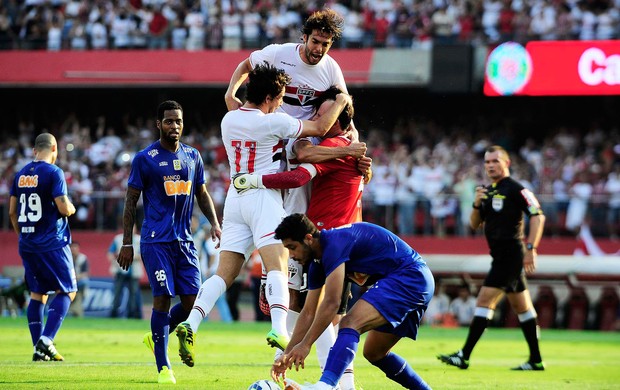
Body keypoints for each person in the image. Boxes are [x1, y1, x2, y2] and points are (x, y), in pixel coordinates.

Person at [174, 62, 352, 369]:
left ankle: (191, 322)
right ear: (269, 97)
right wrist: (339, 101)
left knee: (224, 273)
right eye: (280, 96)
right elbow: (320, 129)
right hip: (263, 196)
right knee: (277, 265)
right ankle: (279, 329)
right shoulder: (275, 123)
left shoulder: (229, 119)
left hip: (235, 197)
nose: (282, 102)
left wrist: (236, 80)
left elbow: (231, 97)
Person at [233, 88, 365, 389]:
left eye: (322, 115)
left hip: (329, 240)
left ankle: (335, 384)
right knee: (317, 312)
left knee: (323, 315)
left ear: (338, 118)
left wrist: (255, 180)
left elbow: (299, 173)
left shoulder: (334, 144)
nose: (317, 119)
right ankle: (326, 379)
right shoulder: (348, 147)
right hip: (335, 239)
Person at [117, 100, 222, 384]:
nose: (174, 126)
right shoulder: (145, 158)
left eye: (178, 121)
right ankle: (164, 366)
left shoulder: (193, 156)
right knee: (162, 297)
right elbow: (130, 200)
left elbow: (201, 193)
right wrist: (128, 243)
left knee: (192, 304)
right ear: (158, 124)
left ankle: (156, 337)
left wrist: (214, 223)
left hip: (184, 241)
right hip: (155, 241)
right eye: (168, 121)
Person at [270, 214, 435, 390]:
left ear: (308, 239)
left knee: (350, 322)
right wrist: (287, 353)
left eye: (292, 247)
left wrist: (306, 345)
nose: (291, 255)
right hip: (411, 281)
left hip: (410, 276)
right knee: (374, 353)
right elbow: (309, 312)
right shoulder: (317, 262)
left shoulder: (333, 244)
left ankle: (326, 385)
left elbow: (332, 302)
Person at [438, 145, 546, 371]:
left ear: (507, 163)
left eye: (495, 161)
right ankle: (535, 360)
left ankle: (464, 355)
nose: (490, 165)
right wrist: (477, 203)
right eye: (487, 162)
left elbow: (538, 216)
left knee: (484, 301)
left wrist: (531, 248)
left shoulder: (517, 189)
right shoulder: (486, 192)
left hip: (511, 254)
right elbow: (475, 224)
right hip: (500, 255)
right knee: (523, 308)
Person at [9, 132, 77, 362]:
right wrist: (71, 208)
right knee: (68, 290)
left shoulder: (19, 175)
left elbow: (11, 211)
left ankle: (38, 349)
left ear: (34, 150)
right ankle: (47, 340)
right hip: (51, 242)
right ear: (55, 149)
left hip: (27, 243)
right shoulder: (54, 172)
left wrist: (24, 237)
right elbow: (62, 206)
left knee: (38, 294)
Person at [108, 229, 143, 319]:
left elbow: (143, 254)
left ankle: (131, 313)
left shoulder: (139, 239)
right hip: (120, 269)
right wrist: (114, 262)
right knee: (117, 293)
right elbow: (110, 253)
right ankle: (114, 313)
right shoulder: (118, 238)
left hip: (134, 270)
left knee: (133, 294)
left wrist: (131, 256)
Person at [69, 241, 89, 317]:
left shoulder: (82, 258)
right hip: (68, 281)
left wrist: (76, 277)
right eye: (72, 247)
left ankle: (76, 304)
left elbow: (85, 273)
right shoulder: (66, 257)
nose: (73, 249)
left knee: (84, 282)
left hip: (78, 281)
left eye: (75, 247)